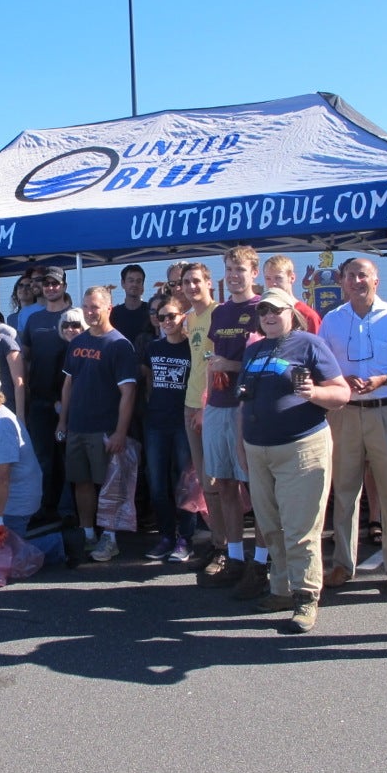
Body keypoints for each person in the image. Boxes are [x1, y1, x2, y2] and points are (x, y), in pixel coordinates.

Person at [237, 288, 351, 632]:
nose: (269, 316)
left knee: (301, 528)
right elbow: (244, 400)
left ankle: (306, 597)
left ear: (292, 312)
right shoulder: (253, 350)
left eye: (276, 310)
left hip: (301, 447)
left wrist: (314, 393)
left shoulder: (309, 344)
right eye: (264, 311)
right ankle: (281, 589)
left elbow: (341, 393)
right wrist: (243, 445)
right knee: (270, 526)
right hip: (259, 450)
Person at [320, 258, 387, 593]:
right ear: (342, 281)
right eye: (350, 276)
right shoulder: (332, 320)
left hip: (385, 412)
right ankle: (342, 565)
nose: (356, 281)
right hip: (345, 414)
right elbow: (322, 365)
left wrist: (386, 378)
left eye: (362, 275)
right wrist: (340, 379)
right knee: (345, 492)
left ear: (376, 280)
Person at [0, 371, 78, 568]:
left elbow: (3, 478)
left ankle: (55, 544)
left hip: (15, 498)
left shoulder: (1, 425)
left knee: (8, 564)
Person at [201, 246, 266, 594]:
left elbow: (270, 360)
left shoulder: (262, 309)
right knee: (224, 482)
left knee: (256, 487)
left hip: (250, 408)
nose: (234, 275)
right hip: (218, 405)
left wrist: (232, 367)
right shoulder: (221, 313)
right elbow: (214, 359)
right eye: (229, 268)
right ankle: (235, 556)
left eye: (240, 269)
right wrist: (207, 396)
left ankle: (264, 559)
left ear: (253, 273)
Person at [56, 286, 138, 562]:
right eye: (87, 307)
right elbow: (68, 384)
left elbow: (128, 393)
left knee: (109, 485)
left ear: (108, 308)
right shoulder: (78, 343)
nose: (91, 312)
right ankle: (88, 533)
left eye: (96, 307)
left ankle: (110, 537)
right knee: (82, 482)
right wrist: (63, 421)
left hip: (104, 428)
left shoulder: (119, 345)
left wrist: (120, 432)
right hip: (78, 426)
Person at [140, 294, 194, 562]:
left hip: (183, 422)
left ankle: (186, 538)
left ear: (182, 316)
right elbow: (149, 383)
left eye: (172, 316)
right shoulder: (153, 347)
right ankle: (166, 536)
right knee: (158, 483)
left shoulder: (191, 348)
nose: (166, 321)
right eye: (161, 317)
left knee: (184, 483)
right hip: (156, 423)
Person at [179, 262, 224, 568]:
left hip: (211, 406)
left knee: (217, 480)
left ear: (209, 282)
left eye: (197, 281)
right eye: (186, 282)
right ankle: (219, 542)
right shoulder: (190, 318)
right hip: (190, 403)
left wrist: (207, 406)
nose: (192, 287)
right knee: (204, 481)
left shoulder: (219, 314)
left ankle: (225, 547)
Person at [20, 266, 73, 520]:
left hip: (68, 401)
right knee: (42, 458)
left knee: (67, 458)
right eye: (47, 283)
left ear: (64, 286)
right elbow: (24, 358)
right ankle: (44, 508)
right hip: (39, 399)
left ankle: (67, 510)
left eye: (56, 283)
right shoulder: (34, 319)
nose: (51, 287)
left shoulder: (74, 317)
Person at [263, 255, 322, 333]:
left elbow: (316, 344)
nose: (273, 283)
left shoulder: (307, 315)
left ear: (292, 278)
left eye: (278, 278)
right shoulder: (262, 313)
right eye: (268, 278)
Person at [109, 264, 154, 345]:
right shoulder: (114, 314)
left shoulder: (151, 311)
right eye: (131, 280)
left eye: (138, 281)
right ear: (123, 283)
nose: (134, 284)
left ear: (142, 285)